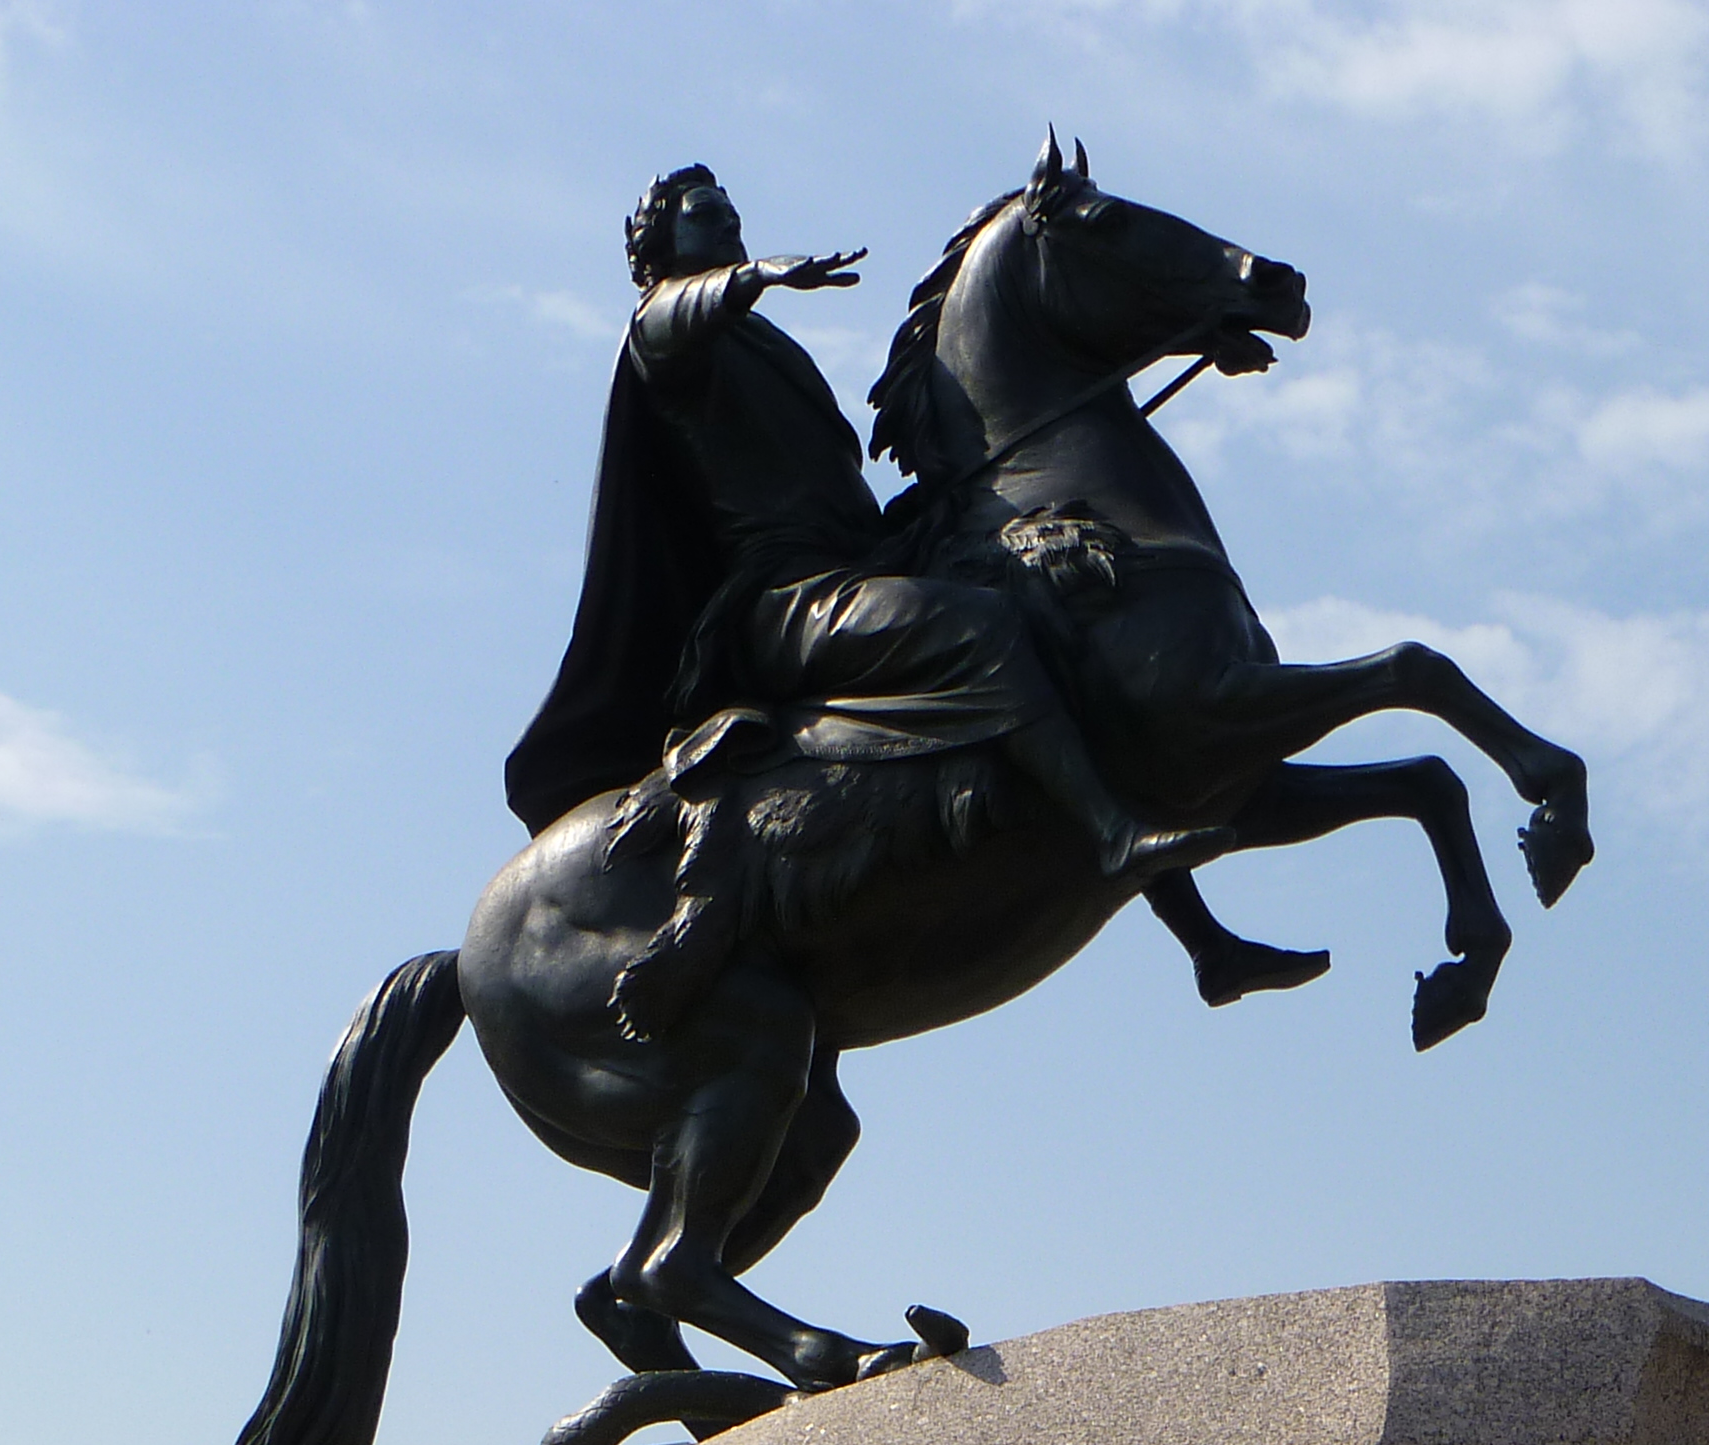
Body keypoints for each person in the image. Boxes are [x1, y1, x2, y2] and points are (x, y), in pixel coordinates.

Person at [507, 165, 1222, 897]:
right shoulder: (668, 336)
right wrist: (755, 276)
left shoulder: (762, 344)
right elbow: (666, 317)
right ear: (659, 248)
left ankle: (1204, 938)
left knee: (1059, 616)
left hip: (857, 562)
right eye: (701, 214)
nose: (726, 222)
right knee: (978, 623)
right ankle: (1111, 832)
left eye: (730, 210)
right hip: (787, 600)